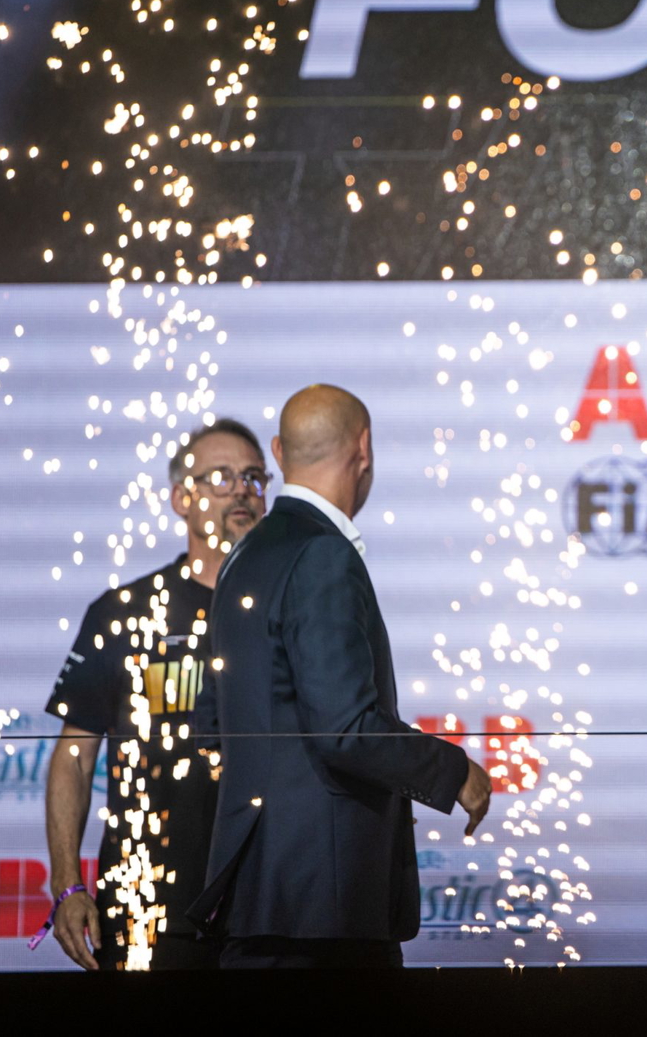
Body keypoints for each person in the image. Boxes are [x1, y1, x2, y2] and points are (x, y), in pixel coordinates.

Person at [188, 384, 492, 969]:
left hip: (255, 901)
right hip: (323, 913)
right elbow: (344, 726)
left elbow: (213, 725)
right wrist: (454, 772)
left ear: (278, 452)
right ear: (365, 448)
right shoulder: (322, 555)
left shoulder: (242, 559)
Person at [41, 417, 270, 970]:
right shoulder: (124, 613)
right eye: (220, 477)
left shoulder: (288, 610)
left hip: (271, 909)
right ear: (180, 499)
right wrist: (69, 887)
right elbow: (74, 757)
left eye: (254, 478)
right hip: (149, 907)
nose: (241, 490)